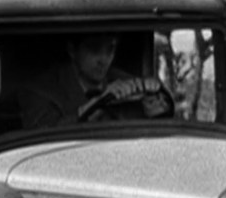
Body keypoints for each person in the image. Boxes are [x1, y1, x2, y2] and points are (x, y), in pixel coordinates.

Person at [19, 34, 172, 128]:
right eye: (94, 49)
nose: (104, 59)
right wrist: (94, 105)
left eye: (110, 49)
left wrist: (155, 108)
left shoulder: (125, 81)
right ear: (72, 50)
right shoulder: (40, 91)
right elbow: (42, 141)